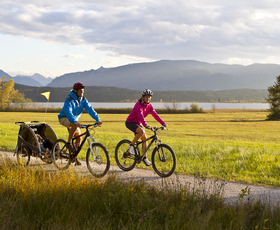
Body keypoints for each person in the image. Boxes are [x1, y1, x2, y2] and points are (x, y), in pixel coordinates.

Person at [58, 82, 102, 165]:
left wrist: (97, 119)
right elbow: (68, 111)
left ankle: (74, 157)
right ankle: (68, 143)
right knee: (74, 126)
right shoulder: (69, 99)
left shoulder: (83, 100)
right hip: (64, 118)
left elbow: (90, 110)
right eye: (80, 91)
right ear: (75, 90)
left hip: (74, 121)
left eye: (83, 91)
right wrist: (75, 121)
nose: (82, 92)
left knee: (79, 138)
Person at [125, 89, 168, 166]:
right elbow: (140, 116)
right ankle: (131, 145)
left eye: (149, 97)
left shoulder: (149, 106)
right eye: (146, 97)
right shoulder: (138, 105)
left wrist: (163, 123)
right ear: (143, 97)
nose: (148, 99)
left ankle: (144, 158)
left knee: (144, 138)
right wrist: (145, 125)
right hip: (130, 122)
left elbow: (155, 115)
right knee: (141, 132)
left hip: (138, 123)